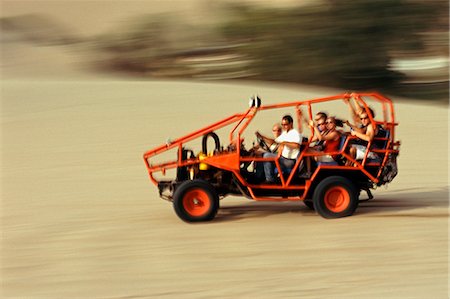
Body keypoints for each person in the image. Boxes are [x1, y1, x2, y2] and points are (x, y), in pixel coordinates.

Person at [255, 115, 302, 183]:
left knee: (266, 156)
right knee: (262, 158)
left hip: (289, 161)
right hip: (282, 159)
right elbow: (274, 141)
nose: (283, 126)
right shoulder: (285, 133)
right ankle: (258, 179)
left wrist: (285, 143)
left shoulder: (295, 133)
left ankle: (270, 180)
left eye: (285, 124)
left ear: (291, 124)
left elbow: (297, 146)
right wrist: (262, 137)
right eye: (282, 124)